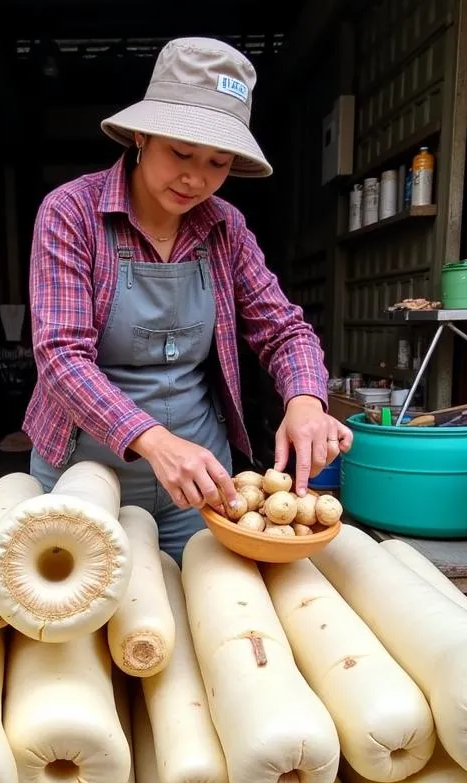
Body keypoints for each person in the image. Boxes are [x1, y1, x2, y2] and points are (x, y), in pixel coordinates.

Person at [22, 36, 353, 562]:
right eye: (180, 152)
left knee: (201, 616)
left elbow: (283, 328)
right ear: (140, 135)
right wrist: (155, 443)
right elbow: (61, 357)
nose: (196, 177)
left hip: (202, 482)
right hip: (85, 474)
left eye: (219, 162)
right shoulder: (71, 213)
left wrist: (306, 400)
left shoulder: (226, 227)